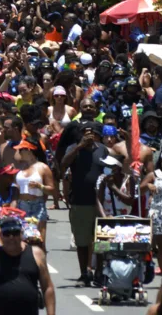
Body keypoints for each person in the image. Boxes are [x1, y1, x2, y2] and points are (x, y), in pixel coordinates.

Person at [0, 213, 55, 315]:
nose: (11, 237)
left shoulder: (36, 254)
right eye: (7, 233)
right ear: (1, 236)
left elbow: (47, 287)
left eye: (15, 233)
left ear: (21, 234)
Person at [60, 118, 105, 282]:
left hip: (99, 203)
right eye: (85, 132)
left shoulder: (103, 150)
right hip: (79, 200)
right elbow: (63, 164)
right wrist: (79, 146)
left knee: (101, 240)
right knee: (82, 240)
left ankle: (99, 271)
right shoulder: (74, 148)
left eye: (91, 132)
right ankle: (84, 272)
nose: (88, 135)